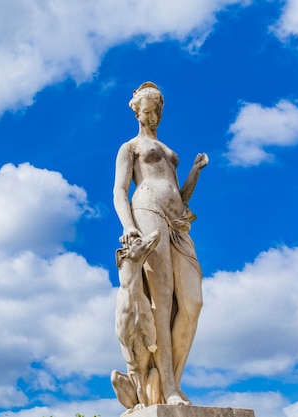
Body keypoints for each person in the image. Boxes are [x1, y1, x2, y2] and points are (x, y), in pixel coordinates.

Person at [112, 82, 208, 408]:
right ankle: (168, 387)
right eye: (148, 110)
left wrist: (193, 172)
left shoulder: (165, 148)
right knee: (162, 304)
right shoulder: (130, 147)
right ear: (138, 110)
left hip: (177, 220)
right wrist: (128, 226)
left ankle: (174, 380)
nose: (153, 116)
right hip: (147, 211)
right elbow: (118, 191)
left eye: (157, 111)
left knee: (192, 303)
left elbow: (179, 196)